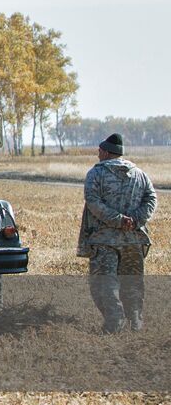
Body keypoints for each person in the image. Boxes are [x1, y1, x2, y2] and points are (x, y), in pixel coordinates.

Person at [79, 133, 157, 332]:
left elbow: (93, 202)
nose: (97, 155)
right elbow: (151, 199)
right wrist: (135, 220)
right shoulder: (140, 174)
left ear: (106, 152)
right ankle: (135, 324)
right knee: (133, 285)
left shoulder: (96, 174)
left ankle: (114, 324)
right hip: (134, 240)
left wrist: (118, 220)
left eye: (99, 151)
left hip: (104, 240)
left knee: (104, 285)